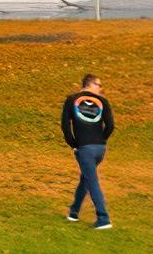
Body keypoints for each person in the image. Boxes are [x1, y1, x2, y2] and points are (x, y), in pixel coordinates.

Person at [59, 72, 117, 229]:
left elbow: (65, 125)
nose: (100, 88)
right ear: (90, 84)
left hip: (84, 148)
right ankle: (74, 212)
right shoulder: (103, 102)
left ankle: (103, 219)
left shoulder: (71, 100)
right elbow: (110, 126)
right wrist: (101, 140)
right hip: (100, 149)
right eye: (99, 85)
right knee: (87, 177)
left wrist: (73, 144)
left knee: (91, 180)